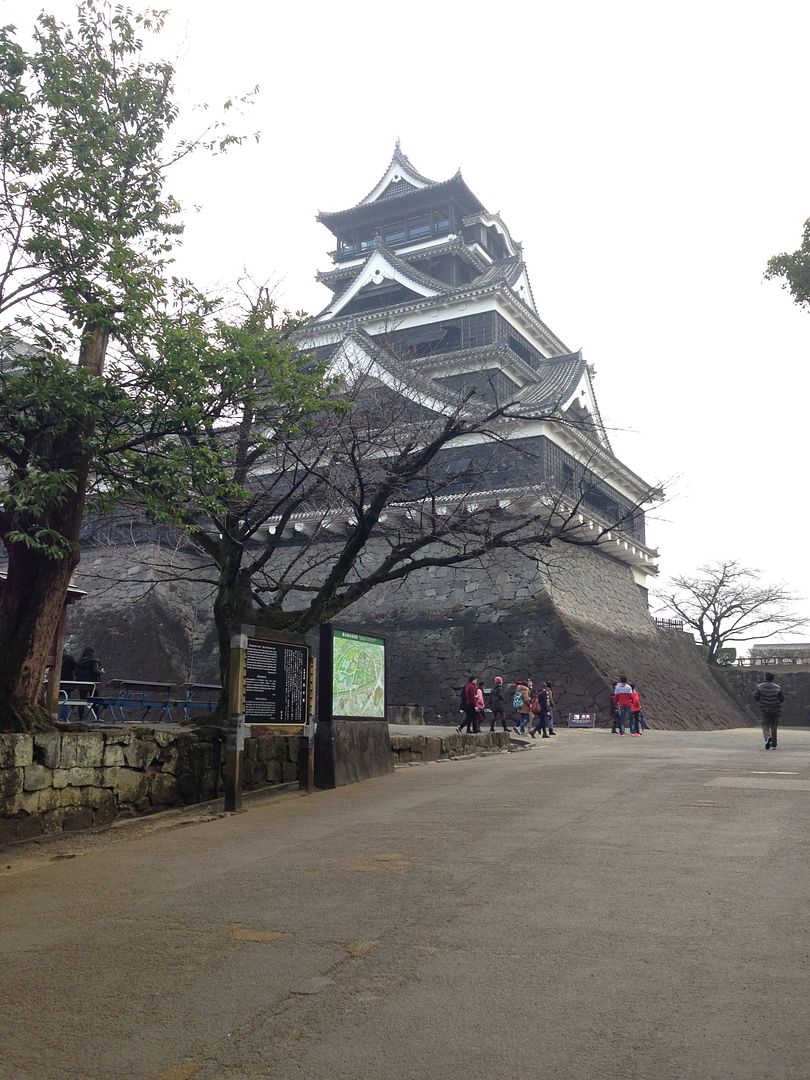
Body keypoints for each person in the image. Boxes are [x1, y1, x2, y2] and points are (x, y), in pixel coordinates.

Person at [754, 672, 784, 750]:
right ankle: (774, 745)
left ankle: (768, 737)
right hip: (775, 709)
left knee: (765, 724)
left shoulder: (759, 687)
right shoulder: (778, 687)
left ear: (765, 678)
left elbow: (756, 697)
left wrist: (762, 702)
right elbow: (782, 699)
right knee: (774, 727)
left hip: (765, 709)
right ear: (773, 678)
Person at [74, 646, 103, 720]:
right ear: (92, 653)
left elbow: (76, 672)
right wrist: (101, 672)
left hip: (82, 684)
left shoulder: (79, 662)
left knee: (82, 700)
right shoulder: (94, 661)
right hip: (92, 684)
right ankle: (97, 717)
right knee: (95, 699)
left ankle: (81, 717)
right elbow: (95, 671)